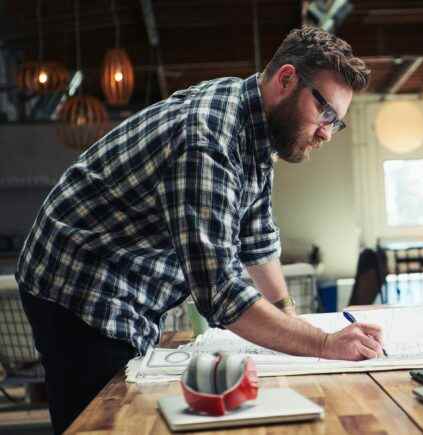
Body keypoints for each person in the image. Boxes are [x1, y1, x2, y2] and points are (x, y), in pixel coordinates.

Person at [16, 26, 383, 434]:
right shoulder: (207, 140)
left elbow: (256, 239)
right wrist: (323, 344)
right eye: (326, 113)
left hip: (127, 276)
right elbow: (220, 291)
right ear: (286, 79)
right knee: (104, 423)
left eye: (338, 123)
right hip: (80, 282)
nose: (327, 133)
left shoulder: (254, 124)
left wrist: (290, 321)